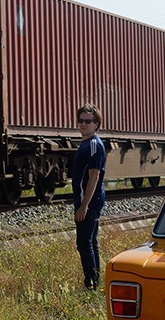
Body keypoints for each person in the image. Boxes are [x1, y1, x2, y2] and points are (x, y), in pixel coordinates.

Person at [72, 104, 106, 290]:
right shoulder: (86, 144)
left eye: (88, 121)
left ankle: (90, 284)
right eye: (81, 120)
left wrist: (84, 206)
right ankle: (95, 281)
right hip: (87, 201)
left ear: (96, 124)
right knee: (90, 241)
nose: (83, 124)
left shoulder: (93, 145)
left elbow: (94, 176)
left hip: (90, 202)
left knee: (84, 243)